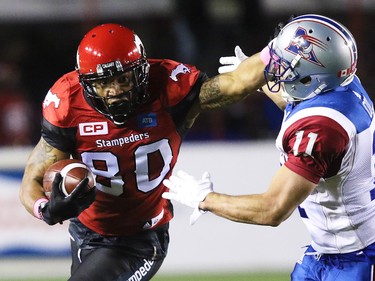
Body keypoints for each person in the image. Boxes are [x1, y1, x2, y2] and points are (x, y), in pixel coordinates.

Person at [19, 23, 266, 281]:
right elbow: (33, 176)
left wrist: (277, 53)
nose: (114, 91)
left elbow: (235, 84)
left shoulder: (170, 87)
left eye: (122, 79)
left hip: (140, 238)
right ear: (87, 83)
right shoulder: (68, 102)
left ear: (142, 72)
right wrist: (45, 209)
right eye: (103, 82)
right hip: (85, 231)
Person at [162, 14, 375, 281]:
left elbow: (273, 209)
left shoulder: (320, 130)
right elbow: (298, 105)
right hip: (328, 252)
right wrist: (263, 83)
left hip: (355, 260)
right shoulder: (338, 85)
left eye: (285, 66)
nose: (276, 68)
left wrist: (205, 199)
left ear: (312, 78)